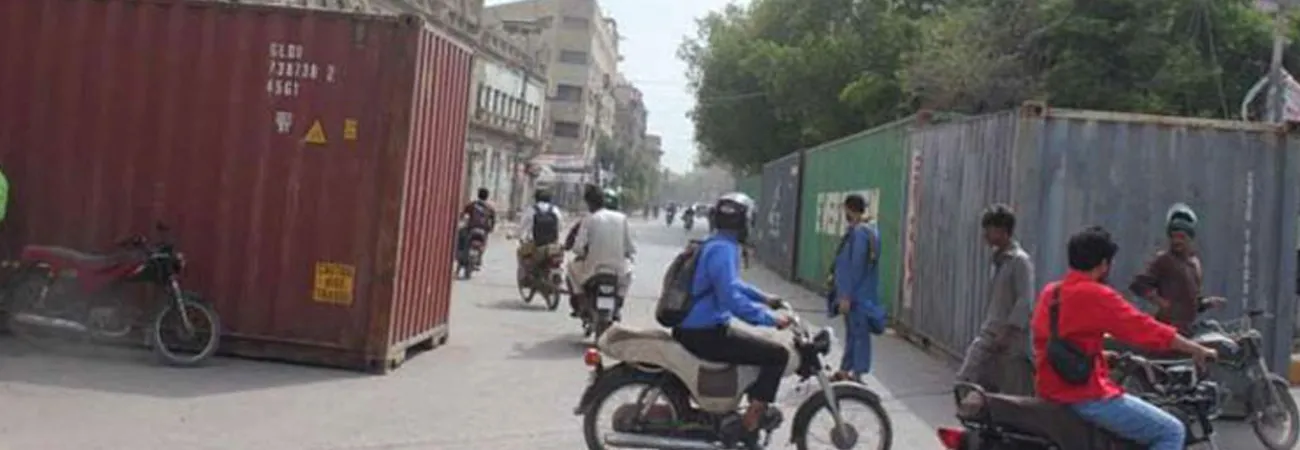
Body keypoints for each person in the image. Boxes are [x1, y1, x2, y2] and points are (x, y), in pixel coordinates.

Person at [1032, 226, 1217, 450]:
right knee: (1171, 431)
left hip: (1048, 390)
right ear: (1103, 264)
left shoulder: (1051, 293)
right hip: (1085, 396)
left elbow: (1050, 341)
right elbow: (1144, 328)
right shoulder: (1097, 295)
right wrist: (1196, 349)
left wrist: (1101, 356)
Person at [674, 192, 790, 448]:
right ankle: (749, 424)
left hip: (698, 328)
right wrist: (770, 320)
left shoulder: (716, 243)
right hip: (704, 333)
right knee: (777, 354)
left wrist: (764, 298)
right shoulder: (724, 249)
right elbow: (731, 299)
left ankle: (740, 412)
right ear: (744, 222)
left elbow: (733, 284)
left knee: (757, 348)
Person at [956, 204, 1036, 395]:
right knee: (966, 381)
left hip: (1011, 342)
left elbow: (1025, 301)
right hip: (990, 335)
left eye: (989, 229)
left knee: (1011, 394)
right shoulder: (998, 260)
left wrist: (1007, 333)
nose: (985, 234)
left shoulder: (1019, 261)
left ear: (1003, 231)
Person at [1129, 203, 1224, 334]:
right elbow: (1138, 284)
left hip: (1187, 329)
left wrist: (1207, 303)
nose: (1177, 241)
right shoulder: (1164, 260)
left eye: (1181, 237)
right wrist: (1161, 302)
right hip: (1167, 329)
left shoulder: (1194, 264)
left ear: (1190, 239)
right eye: (1173, 237)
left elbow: (1192, 303)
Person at [827, 193, 886, 382]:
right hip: (862, 293)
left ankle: (857, 373)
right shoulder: (869, 231)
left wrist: (845, 295)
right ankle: (846, 369)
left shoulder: (860, 234)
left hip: (856, 295)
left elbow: (855, 266)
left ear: (848, 209)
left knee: (858, 334)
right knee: (853, 333)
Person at [568, 185, 635, 318]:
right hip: (617, 270)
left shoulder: (589, 219)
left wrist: (583, 254)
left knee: (570, 268)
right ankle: (618, 304)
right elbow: (629, 247)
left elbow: (578, 248)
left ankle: (582, 301)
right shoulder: (622, 218)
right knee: (629, 274)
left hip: (593, 270)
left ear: (589, 203)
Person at [516, 189, 564, 284]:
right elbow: (561, 227)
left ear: (536, 199)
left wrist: (516, 235)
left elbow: (522, 227)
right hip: (553, 244)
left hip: (536, 244)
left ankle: (525, 277)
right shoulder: (555, 210)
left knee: (520, 252)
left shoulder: (531, 210)